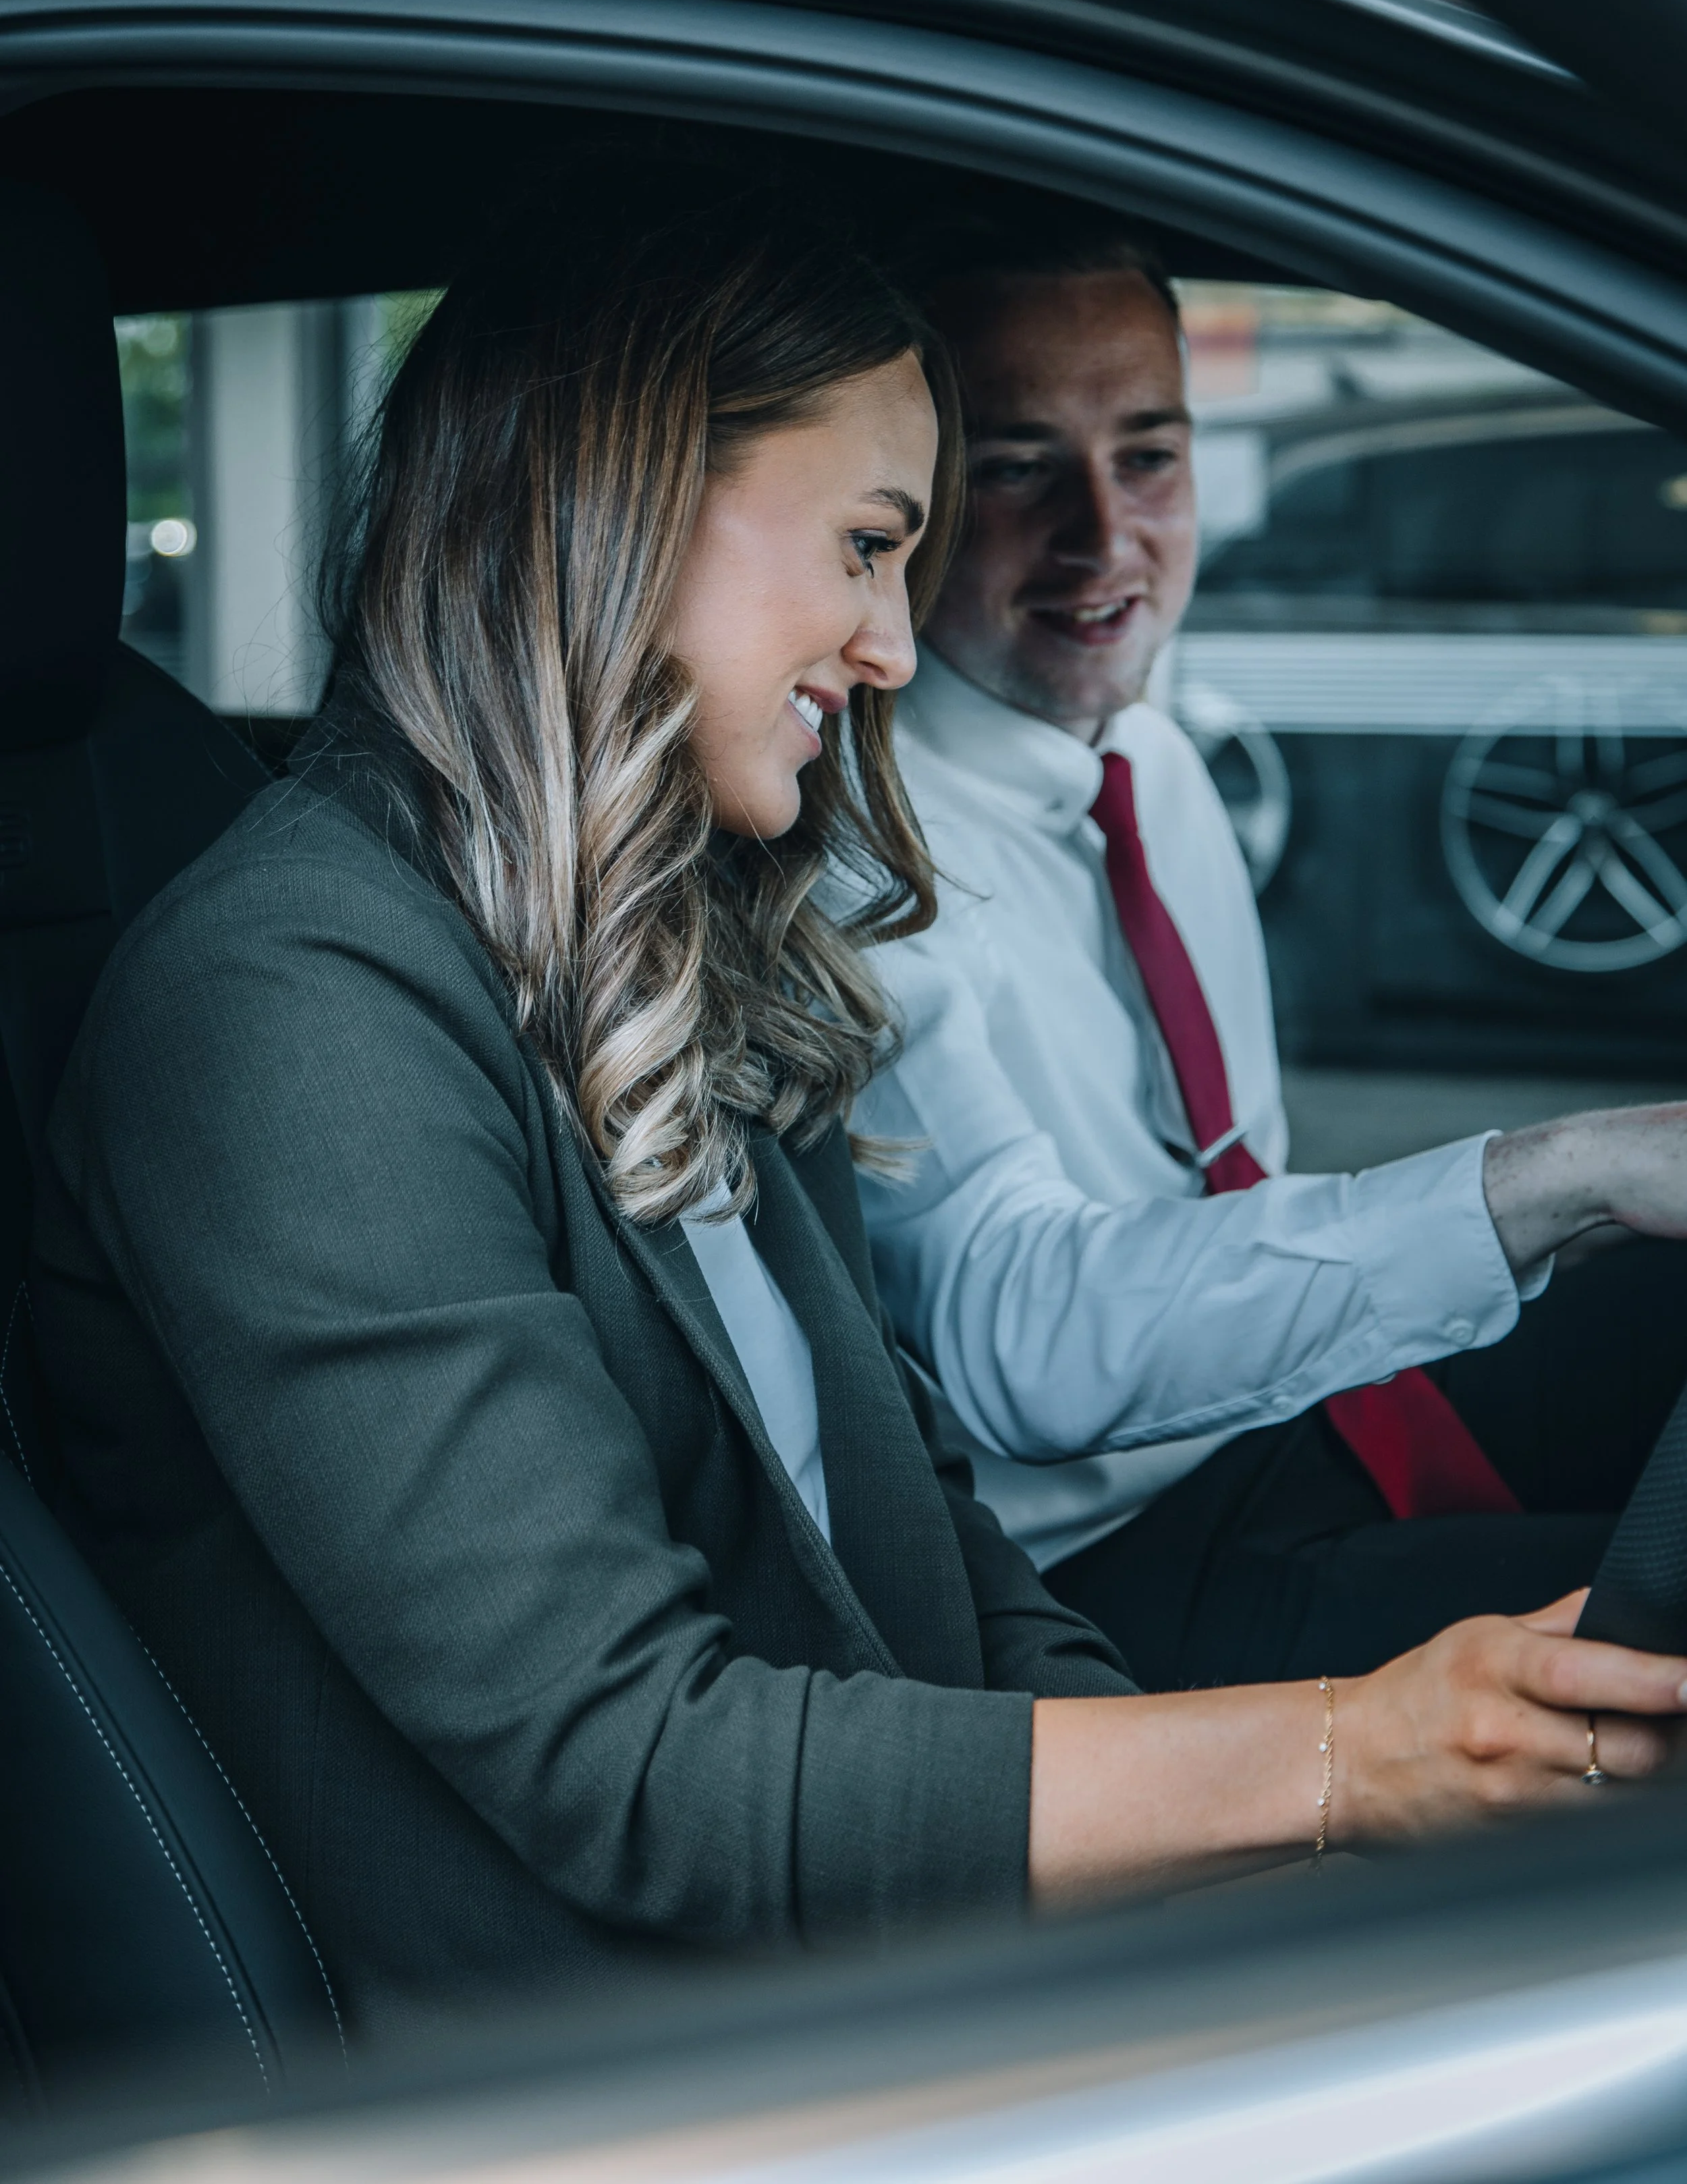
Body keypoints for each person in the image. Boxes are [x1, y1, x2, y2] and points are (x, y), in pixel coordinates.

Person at [28, 186, 1687, 2037]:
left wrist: (1206, 1844)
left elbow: (939, 1537)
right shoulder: (292, 1002)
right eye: (865, 545)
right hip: (614, 2064)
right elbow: (635, 1764)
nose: (893, 645)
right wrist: (1329, 1760)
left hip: (879, 1943)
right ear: (623, 507)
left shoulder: (681, 929)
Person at [854, 204, 1687, 1691]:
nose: (1103, 538)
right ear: (904, 496)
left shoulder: (1149, 766)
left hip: (1280, 1416)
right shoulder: (857, 847)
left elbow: (1238, 1203)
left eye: (1148, 455)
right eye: (1014, 465)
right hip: (1087, 1571)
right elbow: (1013, 1342)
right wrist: (1562, 1171)